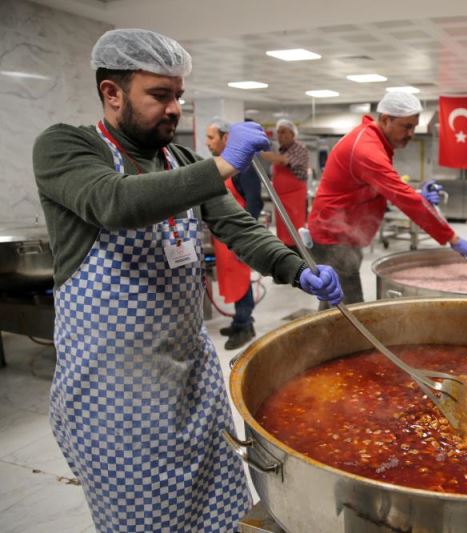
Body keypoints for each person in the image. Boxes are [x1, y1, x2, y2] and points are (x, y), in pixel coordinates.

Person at [32, 29, 343, 533]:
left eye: (178, 95)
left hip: (190, 385)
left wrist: (296, 268)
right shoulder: (67, 148)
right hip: (115, 398)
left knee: (221, 511)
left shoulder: (181, 161)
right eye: (160, 95)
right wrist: (222, 164)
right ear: (112, 93)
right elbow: (117, 202)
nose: (175, 108)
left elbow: (237, 225)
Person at [308, 91, 467, 307]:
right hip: (333, 236)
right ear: (385, 119)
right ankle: (348, 340)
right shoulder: (367, 149)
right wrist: (452, 238)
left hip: (342, 231)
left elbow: (380, 186)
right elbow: (401, 197)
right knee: (348, 309)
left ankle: (327, 337)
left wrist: (417, 194)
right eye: (407, 126)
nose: (412, 133)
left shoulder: (372, 140)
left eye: (413, 127)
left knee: (334, 301)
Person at [205, 117, 264, 349]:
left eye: (211, 137)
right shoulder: (221, 163)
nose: (208, 143)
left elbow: (254, 202)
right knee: (231, 279)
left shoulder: (244, 166)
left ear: (225, 138)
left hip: (237, 236)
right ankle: (240, 321)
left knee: (240, 280)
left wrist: (244, 237)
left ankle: (245, 326)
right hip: (224, 235)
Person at [261, 119, 309, 253]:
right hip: (281, 199)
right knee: (283, 234)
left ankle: (299, 258)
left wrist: (258, 150)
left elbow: (282, 161)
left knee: (295, 233)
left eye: (283, 132)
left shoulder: (299, 148)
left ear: (293, 134)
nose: (280, 136)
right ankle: (286, 255)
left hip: (295, 199)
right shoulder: (281, 150)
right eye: (278, 133)